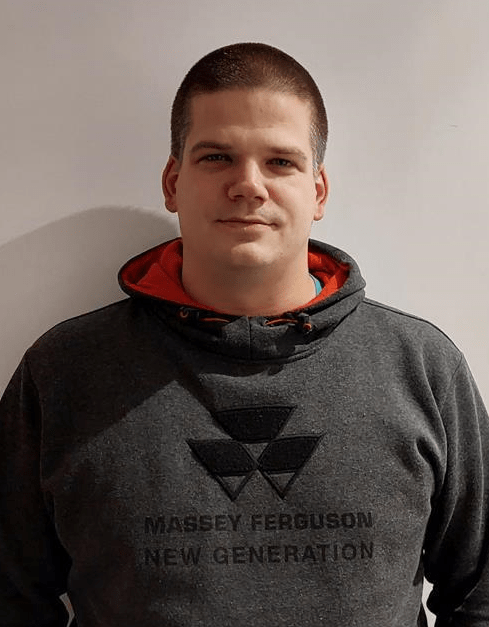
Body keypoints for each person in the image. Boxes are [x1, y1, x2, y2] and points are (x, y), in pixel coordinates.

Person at [0, 42, 488, 627]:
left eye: (280, 162)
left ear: (318, 190)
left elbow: (481, 594)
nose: (248, 185)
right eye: (217, 157)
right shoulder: (64, 371)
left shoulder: (424, 368)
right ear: (172, 182)